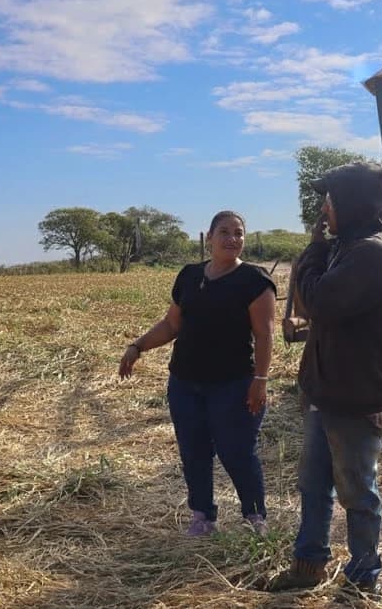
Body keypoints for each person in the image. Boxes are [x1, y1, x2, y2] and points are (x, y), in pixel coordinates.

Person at [269, 162, 382, 599]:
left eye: (330, 200)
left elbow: (319, 302)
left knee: (358, 494)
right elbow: (334, 315)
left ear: (352, 203)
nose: (324, 209)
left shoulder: (372, 253)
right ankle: (308, 564)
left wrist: (310, 253)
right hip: (327, 392)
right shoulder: (351, 247)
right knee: (314, 485)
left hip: (355, 396)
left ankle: (364, 580)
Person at [118, 210, 276, 536]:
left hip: (234, 384)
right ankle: (203, 517)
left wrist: (260, 381)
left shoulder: (255, 281)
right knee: (194, 452)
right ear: (208, 238)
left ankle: (254, 517)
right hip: (185, 383)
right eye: (225, 232)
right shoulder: (189, 276)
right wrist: (137, 347)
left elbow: (265, 334)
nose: (233, 239)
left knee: (236, 452)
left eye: (239, 233)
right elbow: (172, 324)